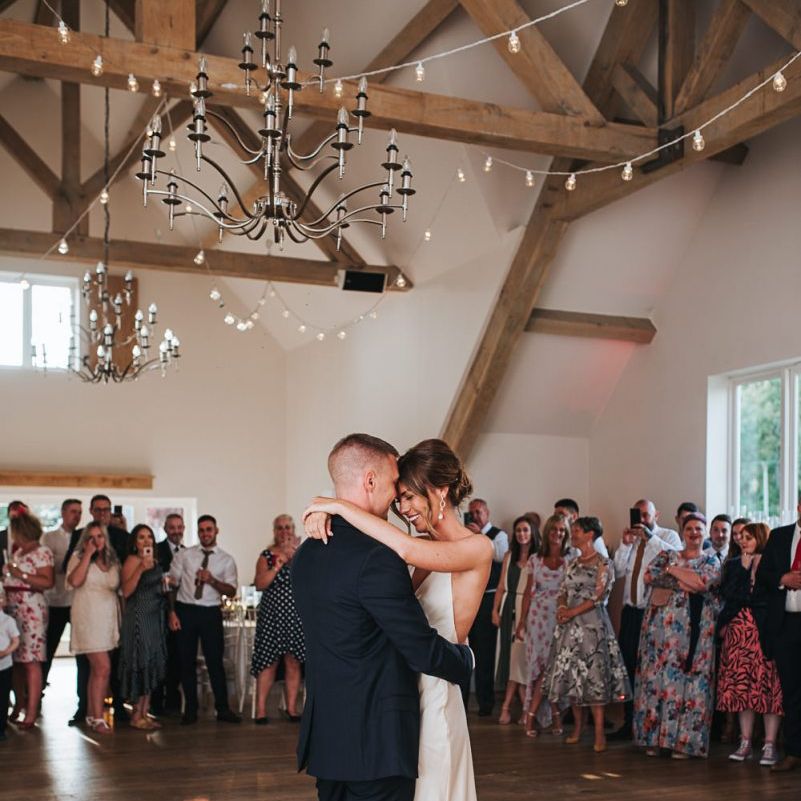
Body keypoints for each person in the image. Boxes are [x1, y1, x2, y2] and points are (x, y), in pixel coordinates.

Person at [296, 434, 477, 801]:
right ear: (370, 480)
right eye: (395, 483)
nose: (397, 497)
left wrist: (332, 508)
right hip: (377, 740)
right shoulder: (377, 557)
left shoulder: (306, 554)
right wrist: (467, 661)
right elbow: (420, 649)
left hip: (327, 737)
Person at [634, 513, 721, 759]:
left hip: (695, 632)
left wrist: (672, 572)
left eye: (698, 529)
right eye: (689, 528)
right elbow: (650, 576)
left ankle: (683, 743)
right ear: (682, 531)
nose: (694, 533)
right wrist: (684, 578)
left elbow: (702, 583)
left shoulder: (711, 560)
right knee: (655, 681)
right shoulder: (666, 555)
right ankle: (653, 739)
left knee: (690, 683)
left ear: (705, 532)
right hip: (658, 633)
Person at [540, 517, 629, 752]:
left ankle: (599, 733)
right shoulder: (572, 563)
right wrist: (562, 607)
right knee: (573, 677)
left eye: (577, 530)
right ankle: (578, 728)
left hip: (592, 627)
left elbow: (600, 596)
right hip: (570, 628)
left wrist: (572, 611)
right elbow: (562, 590)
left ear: (590, 535)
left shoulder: (604, 563)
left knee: (594, 677)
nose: (574, 534)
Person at [610, 499, 681, 741]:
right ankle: (629, 721)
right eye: (637, 515)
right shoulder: (632, 540)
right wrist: (625, 544)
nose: (641, 520)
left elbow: (675, 557)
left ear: (656, 515)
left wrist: (649, 537)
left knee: (651, 668)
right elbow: (618, 570)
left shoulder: (667, 536)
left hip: (654, 613)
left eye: (645, 515)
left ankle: (651, 723)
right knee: (628, 666)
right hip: (630, 612)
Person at [717, 523, 782, 766]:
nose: (742, 541)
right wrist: (744, 571)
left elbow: (769, 596)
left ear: (761, 539)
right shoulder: (734, 565)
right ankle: (744, 742)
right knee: (742, 688)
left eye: (749, 537)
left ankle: (769, 744)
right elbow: (729, 595)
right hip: (739, 634)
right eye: (741, 537)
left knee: (768, 688)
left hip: (764, 631)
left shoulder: (772, 563)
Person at [167, 514, 241, 725]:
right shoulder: (185, 555)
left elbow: (231, 590)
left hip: (210, 612)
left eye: (209, 529)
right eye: (201, 530)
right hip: (186, 610)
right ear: (197, 532)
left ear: (216, 531)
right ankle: (190, 710)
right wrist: (172, 612)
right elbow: (172, 584)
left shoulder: (226, 560)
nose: (205, 533)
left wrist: (212, 580)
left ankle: (223, 709)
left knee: (215, 661)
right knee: (186, 662)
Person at [63, 494, 128, 725]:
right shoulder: (79, 557)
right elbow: (73, 581)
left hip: (108, 618)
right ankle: (98, 717)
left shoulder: (112, 560)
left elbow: (120, 588)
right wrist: (88, 554)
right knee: (103, 667)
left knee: (97, 670)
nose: (96, 540)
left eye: (100, 536)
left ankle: (92, 714)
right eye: (91, 537)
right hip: (87, 616)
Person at [754, 500, 801, 772]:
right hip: (786, 625)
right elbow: (763, 575)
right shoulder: (780, 536)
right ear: (799, 507)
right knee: (792, 691)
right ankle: (794, 752)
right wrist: (783, 579)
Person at [517, 514, 570, 737]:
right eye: (554, 529)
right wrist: (521, 621)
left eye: (562, 530)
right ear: (547, 532)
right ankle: (534, 716)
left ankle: (550, 714)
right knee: (540, 668)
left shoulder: (571, 559)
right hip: (538, 619)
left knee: (555, 668)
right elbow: (528, 593)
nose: (558, 534)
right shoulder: (535, 559)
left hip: (560, 618)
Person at [2, 511, 54, 728]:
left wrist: (20, 574)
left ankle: (31, 712)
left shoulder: (42, 552)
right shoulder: (18, 552)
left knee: (31, 661)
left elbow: (47, 581)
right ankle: (18, 704)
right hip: (12, 609)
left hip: (31, 609)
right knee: (15, 661)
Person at [251, 514, 305, 724]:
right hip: (272, 615)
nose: (284, 531)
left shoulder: (303, 553)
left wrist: (295, 557)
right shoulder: (266, 555)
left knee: (293, 661)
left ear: (293, 529)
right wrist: (278, 564)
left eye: (287, 527)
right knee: (269, 661)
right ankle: (261, 710)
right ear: (274, 532)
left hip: (296, 615)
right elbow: (259, 584)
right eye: (280, 528)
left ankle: (291, 709)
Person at [119, 524, 167, 730]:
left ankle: (145, 712)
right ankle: (136, 714)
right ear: (134, 542)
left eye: (149, 537)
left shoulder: (155, 562)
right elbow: (126, 591)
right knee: (141, 661)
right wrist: (140, 569)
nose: (146, 540)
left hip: (155, 616)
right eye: (141, 537)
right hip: (139, 616)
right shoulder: (132, 561)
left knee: (152, 662)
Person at [492, 515, 538, 725]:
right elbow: (501, 586)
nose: (522, 534)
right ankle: (520, 707)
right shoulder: (509, 556)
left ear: (533, 533)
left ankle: (513, 707)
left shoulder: (538, 557)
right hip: (509, 605)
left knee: (521, 659)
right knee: (509, 656)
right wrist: (495, 610)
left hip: (529, 610)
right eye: (518, 530)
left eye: (525, 530)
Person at [465, 497, 508, 716]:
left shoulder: (499, 536)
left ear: (487, 513)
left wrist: (480, 537)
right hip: (467, 597)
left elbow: (499, 556)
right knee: (465, 648)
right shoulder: (464, 534)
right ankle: (462, 702)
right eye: (471, 512)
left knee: (485, 652)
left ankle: (486, 703)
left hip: (488, 599)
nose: (475, 516)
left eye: (478, 512)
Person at [42, 498, 82, 688]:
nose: (77, 516)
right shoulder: (48, 538)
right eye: (73, 511)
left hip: (77, 602)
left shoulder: (83, 538)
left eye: (80, 512)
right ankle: (39, 688)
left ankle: (83, 694)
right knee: (49, 647)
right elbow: (49, 566)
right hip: (55, 600)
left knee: (82, 648)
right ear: (63, 513)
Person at [153, 513, 185, 715]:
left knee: (176, 656)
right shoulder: (156, 550)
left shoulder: (188, 552)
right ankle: (156, 702)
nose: (176, 531)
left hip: (180, 611)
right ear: (165, 529)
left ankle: (173, 699)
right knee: (159, 657)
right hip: (158, 610)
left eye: (179, 527)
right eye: (172, 527)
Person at [0, 593, 20, 742]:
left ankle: (1, 727)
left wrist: (6, 652)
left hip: (4, 666)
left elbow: (15, 640)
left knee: (3, 697)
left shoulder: (8, 621)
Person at [0, 500, 28, 571]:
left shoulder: (32, 537)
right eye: (14, 516)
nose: (17, 520)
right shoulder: (1, 536)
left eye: (20, 515)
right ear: (8, 515)